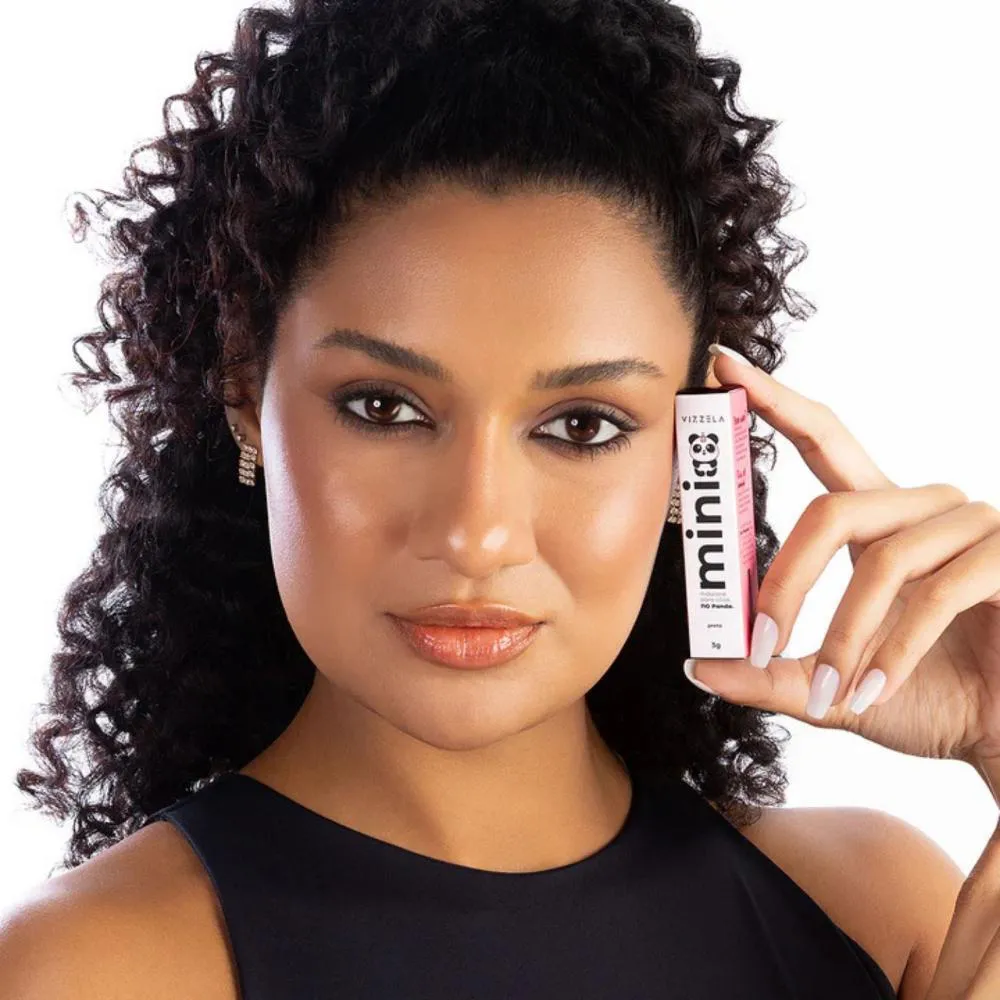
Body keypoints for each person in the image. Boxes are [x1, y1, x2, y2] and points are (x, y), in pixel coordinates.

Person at [5, 0, 1000, 997]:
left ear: (699, 447)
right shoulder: (95, 971)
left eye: (582, 426)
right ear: (244, 396)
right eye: (384, 407)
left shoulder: (881, 917)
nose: (476, 533)